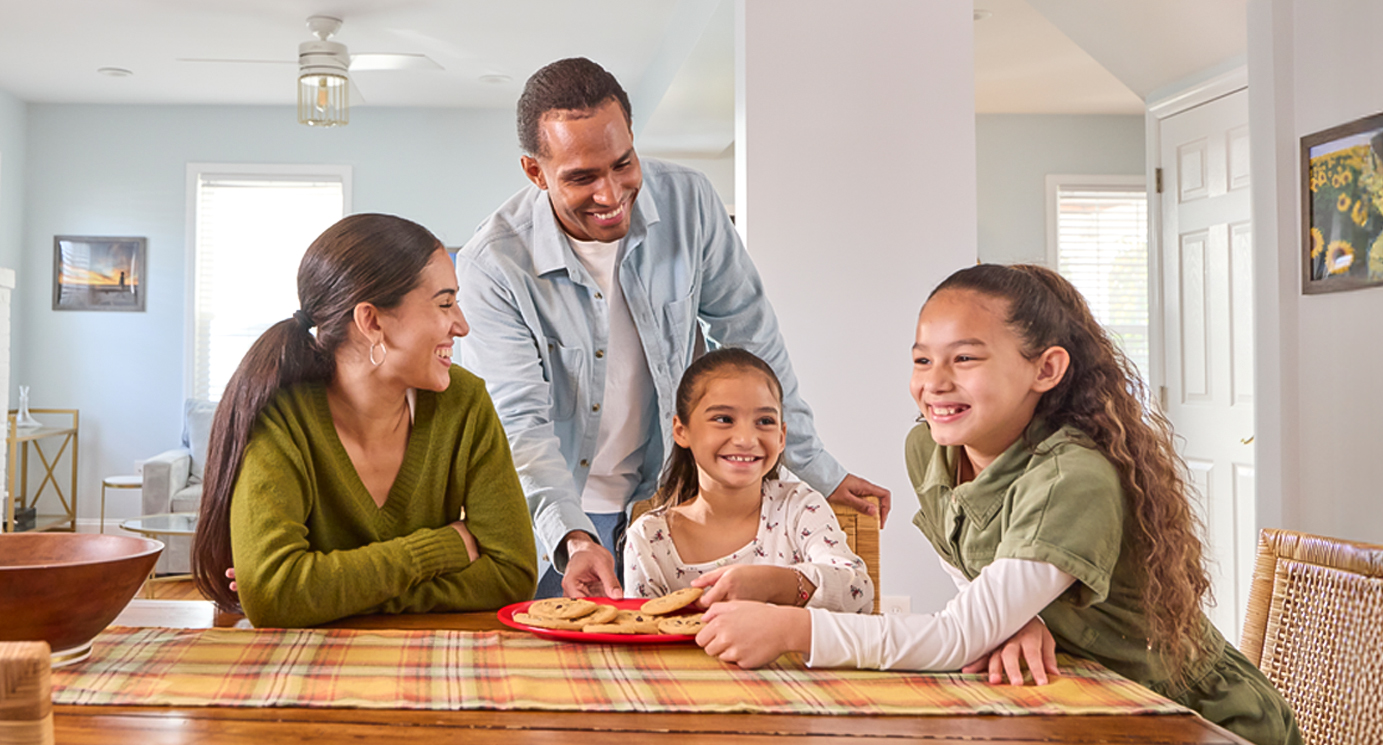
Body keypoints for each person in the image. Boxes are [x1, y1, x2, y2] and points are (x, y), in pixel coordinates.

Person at [692, 264, 1303, 745]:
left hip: (1183, 718)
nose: (935, 381)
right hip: (1067, 699)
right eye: (922, 358)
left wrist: (794, 628)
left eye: (966, 358)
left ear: (1046, 369)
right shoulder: (929, 449)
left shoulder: (1072, 477)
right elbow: (975, 582)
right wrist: (1016, 615)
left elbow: (959, 637)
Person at [454, 58, 891, 600]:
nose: (611, 195)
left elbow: (751, 341)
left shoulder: (689, 203)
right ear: (535, 172)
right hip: (548, 518)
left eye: (622, 163)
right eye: (582, 177)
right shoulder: (492, 266)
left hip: (665, 501)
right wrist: (572, 537)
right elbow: (519, 425)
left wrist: (817, 467)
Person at [193, 213, 537, 627]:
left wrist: (328, 593)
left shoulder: (464, 404)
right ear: (371, 321)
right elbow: (273, 595)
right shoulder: (283, 418)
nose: (461, 325)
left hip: (432, 669)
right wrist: (441, 548)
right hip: (304, 675)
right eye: (445, 303)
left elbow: (512, 575)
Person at [621, 347, 874, 614]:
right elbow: (641, 639)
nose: (746, 439)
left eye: (764, 421)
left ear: (781, 437)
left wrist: (774, 584)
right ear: (681, 431)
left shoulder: (799, 507)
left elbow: (858, 592)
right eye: (723, 419)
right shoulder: (649, 539)